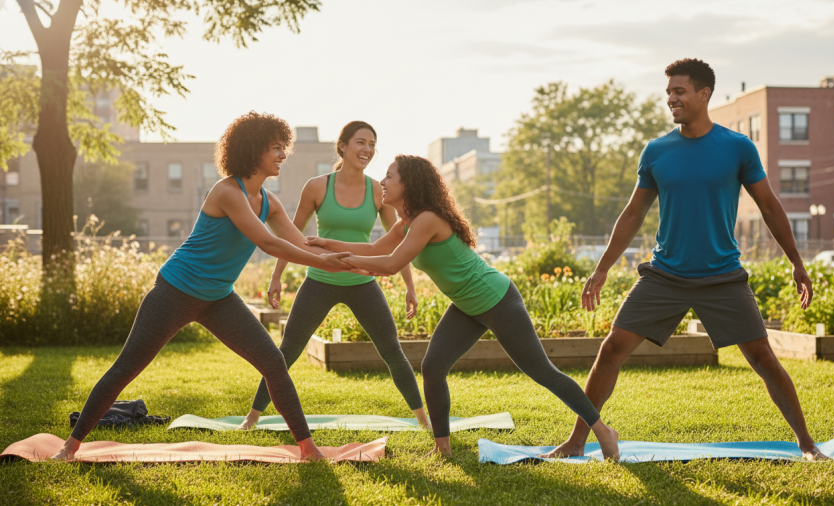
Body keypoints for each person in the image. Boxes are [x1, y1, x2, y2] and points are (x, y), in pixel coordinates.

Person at [539, 58, 828, 460]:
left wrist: (796, 261)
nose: (671, 98)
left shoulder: (737, 147)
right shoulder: (657, 151)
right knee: (611, 349)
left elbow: (770, 206)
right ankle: (576, 440)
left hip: (723, 276)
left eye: (679, 91)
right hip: (665, 275)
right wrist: (602, 267)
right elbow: (632, 214)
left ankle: (807, 444)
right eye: (668, 92)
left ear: (703, 94)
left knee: (763, 358)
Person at [51, 112, 357, 461]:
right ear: (254, 150)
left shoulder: (269, 202)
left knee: (273, 362)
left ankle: (308, 449)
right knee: (126, 368)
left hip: (218, 299)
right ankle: (70, 447)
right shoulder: (227, 191)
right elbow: (268, 244)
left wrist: (348, 256)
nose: (283, 155)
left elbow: (299, 242)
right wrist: (322, 262)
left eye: (283, 147)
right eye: (275, 148)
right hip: (175, 291)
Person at [306, 155, 620, 459]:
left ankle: (603, 432)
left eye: (390, 176)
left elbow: (389, 264)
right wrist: (327, 245)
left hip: (497, 299)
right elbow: (375, 248)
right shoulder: (407, 223)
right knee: (433, 367)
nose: (383, 182)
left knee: (541, 371)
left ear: (409, 184)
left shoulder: (427, 219)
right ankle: (442, 447)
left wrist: (339, 262)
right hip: (467, 305)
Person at [239, 121, 429, 431]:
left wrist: (410, 286)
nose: (367, 149)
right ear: (342, 146)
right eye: (360, 142)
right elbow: (291, 234)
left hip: (362, 283)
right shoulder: (317, 187)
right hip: (320, 281)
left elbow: (399, 241)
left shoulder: (378, 192)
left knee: (392, 350)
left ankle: (423, 419)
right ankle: (252, 417)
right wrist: (276, 276)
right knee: (287, 350)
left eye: (372, 144)